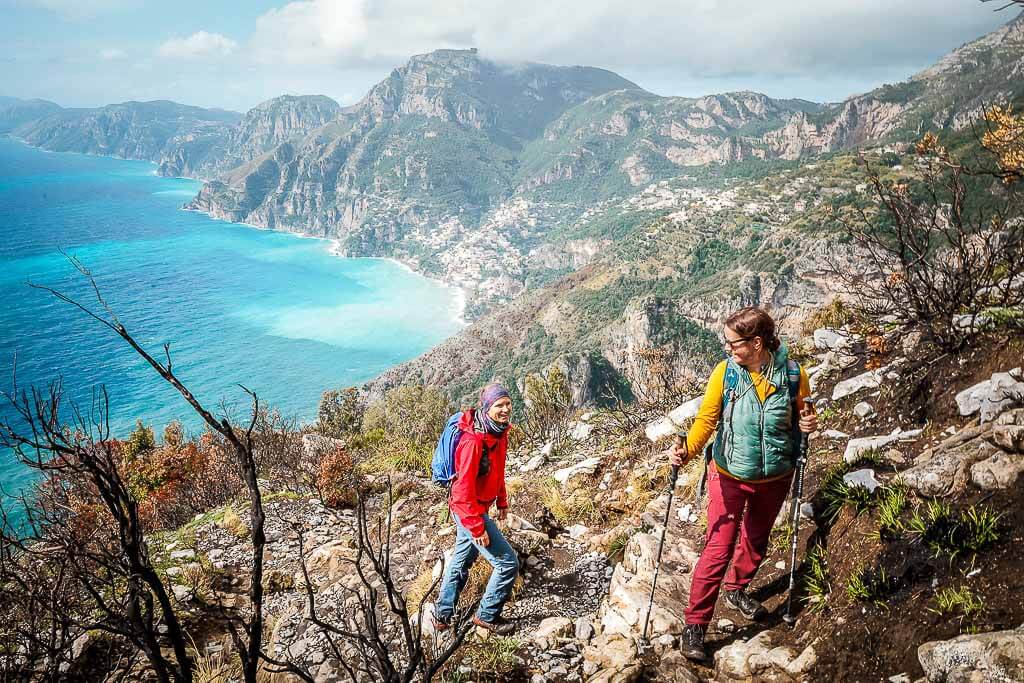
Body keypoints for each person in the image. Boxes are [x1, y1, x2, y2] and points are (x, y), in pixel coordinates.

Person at [669, 307, 817, 662]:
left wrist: (810, 424)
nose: (728, 349)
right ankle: (696, 626)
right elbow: (707, 419)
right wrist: (686, 451)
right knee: (718, 547)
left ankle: (736, 589)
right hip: (729, 475)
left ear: (756, 342)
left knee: (756, 539)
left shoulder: (795, 375)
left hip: (775, 477)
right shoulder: (726, 374)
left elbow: (803, 416)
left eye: (734, 343)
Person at [432, 383, 519, 635]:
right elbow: (461, 493)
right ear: (487, 408)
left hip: (476, 508)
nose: (505, 409)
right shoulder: (472, 441)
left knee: (461, 560)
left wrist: (501, 501)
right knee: (507, 563)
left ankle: (442, 615)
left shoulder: (499, 432)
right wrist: (476, 526)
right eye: (498, 405)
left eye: (507, 403)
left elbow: (498, 471)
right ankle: (487, 616)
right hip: (469, 511)